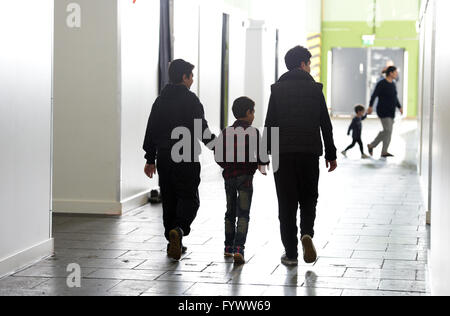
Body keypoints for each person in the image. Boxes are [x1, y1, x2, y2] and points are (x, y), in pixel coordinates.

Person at [265, 46, 338, 266]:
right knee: (308, 198)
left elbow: (270, 124)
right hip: (309, 152)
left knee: (286, 204)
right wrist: (331, 154)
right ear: (303, 64)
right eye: (309, 63)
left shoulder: (277, 90)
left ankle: (291, 253)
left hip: (282, 154)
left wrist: (263, 156)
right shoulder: (315, 90)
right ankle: (307, 233)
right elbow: (325, 124)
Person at [143, 59, 215, 261]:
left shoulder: (160, 100)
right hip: (186, 154)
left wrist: (150, 158)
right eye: (191, 76)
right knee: (190, 198)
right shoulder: (190, 99)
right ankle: (179, 229)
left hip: (165, 157)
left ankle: (172, 240)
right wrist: (218, 148)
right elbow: (201, 128)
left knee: (170, 199)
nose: (193, 80)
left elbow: (151, 130)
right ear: (184, 77)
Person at [215, 97, 269, 265]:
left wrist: (227, 167)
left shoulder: (226, 132)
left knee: (229, 212)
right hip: (246, 178)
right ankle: (239, 248)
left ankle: (228, 248)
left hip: (229, 177)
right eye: (253, 112)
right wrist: (261, 164)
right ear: (248, 112)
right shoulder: (253, 132)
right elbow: (262, 156)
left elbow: (218, 155)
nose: (254, 115)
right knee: (243, 213)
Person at [367, 66, 404, 158]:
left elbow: (395, 98)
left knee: (388, 131)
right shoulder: (381, 83)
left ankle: (383, 151)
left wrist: (399, 107)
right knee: (388, 130)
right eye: (395, 72)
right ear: (390, 73)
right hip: (383, 111)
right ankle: (373, 145)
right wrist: (370, 106)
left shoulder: (393, 84)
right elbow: (374, 95)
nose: (396, 74)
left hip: (391, 111)